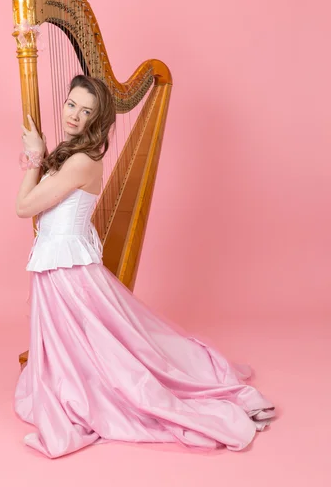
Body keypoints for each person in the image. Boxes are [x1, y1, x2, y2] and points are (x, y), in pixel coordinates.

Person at [14, 74, 275, 458]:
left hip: (68, 275)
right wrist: (44, 155)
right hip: (58, 269)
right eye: (71, 104)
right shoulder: (72, 155)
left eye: (86, 111)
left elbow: (24, 208)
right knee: (90, 353)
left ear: (96, 120)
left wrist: (35, 157)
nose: (74, 115)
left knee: (110, 362)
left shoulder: (83, 162)